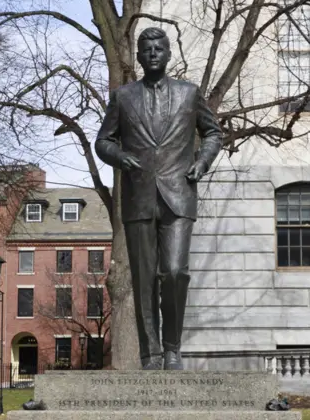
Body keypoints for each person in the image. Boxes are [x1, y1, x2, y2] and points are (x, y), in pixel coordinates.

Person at [95, 27, 223, 371]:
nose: (152, 53)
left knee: (176, 271)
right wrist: (119, 157)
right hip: (138, 197)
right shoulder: (122, 97)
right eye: (146, 49)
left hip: (179, 195)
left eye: (158, 48)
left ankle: (172, 349)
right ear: (138, 56)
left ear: (168, 55)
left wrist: (202, 161)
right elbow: (103, 141)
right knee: (143, 278)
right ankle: (150, 353)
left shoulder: (188, 93)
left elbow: (213, 132)